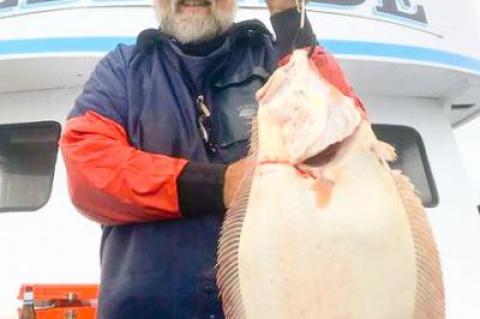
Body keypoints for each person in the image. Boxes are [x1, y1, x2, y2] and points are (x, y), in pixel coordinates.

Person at [59, 0, 364, 317]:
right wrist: (222, 184)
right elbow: (87, 170)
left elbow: (349, 136)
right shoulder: (123, 68)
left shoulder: (278, 59)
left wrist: (288, 17)